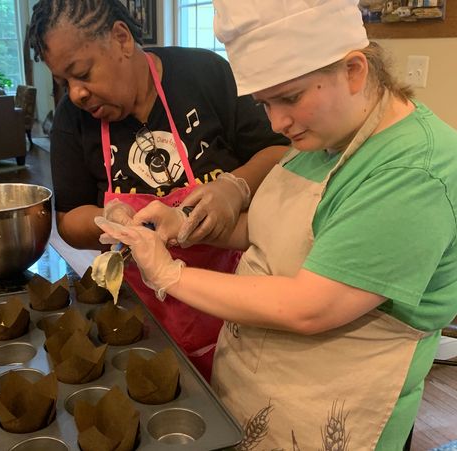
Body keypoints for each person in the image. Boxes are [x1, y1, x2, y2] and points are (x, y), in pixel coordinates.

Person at [94, 0, 457, 448]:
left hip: (334, 412)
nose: (277, 122)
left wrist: (170, 273)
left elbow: (311, 306)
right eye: (265, 102)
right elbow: (271, 230)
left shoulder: (411, 171)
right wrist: (179, 223)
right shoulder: (324, 137)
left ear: (355, 70)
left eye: (290, 97)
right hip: (259, 391)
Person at [27, 0, 289, 379]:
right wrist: (114, 220)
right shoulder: (73, 118)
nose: (77, 93)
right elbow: (69, 219)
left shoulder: (205, 74)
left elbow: (278, 150)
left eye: (82, 73)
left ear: (121, 39)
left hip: (240, 307)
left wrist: (235, 188)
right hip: (143, 317)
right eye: (64, 82)